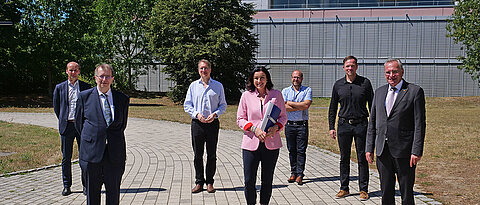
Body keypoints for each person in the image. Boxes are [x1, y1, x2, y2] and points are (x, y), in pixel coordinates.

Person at [366, 59, 426, 205]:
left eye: (395, 71)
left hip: (404, 151)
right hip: (382, 150)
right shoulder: (379, 92)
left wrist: (416, 150)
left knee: (406, 192)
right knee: (386, 191)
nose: (391, 75)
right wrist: (369, 148)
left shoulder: (414, 91)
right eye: (388, 72)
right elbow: (372, 122)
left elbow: (420, 124)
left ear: (402, 72)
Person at [75, 64, 130, 205]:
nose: (104, 79)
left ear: (112, 79)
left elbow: (122, 125)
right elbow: (79, 124)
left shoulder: (122, 99)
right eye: (101, 76)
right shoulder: (84, 97)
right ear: (95, 78)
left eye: (107, 76)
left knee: (113, 195)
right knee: (92, 196)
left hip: (114, 155)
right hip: (92, 155)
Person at [236, 66, 287, 205]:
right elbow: (240, 119)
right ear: (252, 80)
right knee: (249, 180)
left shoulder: (277, 95)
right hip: (251, 144)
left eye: (262, 78)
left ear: (267, 79)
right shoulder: (246, 96)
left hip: (271, 143)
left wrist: (276, 127)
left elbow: (283, 117)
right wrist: (254, 129)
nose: (259, 81)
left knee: (267, 179)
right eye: (256, 78)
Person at [328, 56, 373, 200]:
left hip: (361, 125)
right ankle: (344, 188)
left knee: (362, 158)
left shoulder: (365, 83)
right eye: (347, 66)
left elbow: (372, 106)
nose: (350, 68)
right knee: (344, 158)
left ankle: (363, 189)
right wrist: (331, 127)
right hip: (343, 125)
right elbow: (333, 107)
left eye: (352, 66)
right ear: (343, 68)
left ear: (357, 67)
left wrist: (373, 126)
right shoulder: (338, 85)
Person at [184, 59, 227, 193]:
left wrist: (215, 114)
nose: (204, 71)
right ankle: (199, 182)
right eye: (201, 68)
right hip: (197, 124)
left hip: (212, 124)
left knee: (212, 154)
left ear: (210, 69)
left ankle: (209, 182)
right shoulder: (193, 86)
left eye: (206, 68)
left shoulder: (218, 86)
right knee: (198, 154)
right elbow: (187, 105)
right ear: (198, 70)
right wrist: (197, 114)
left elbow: (223, 105)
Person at [53, 61, 91, 196]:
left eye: (75, 70)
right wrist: (64, 120)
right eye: (70, 70)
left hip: (82, 127)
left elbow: (89, 107)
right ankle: (67, 185)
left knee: (84, 157)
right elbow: (57, 108)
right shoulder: (59, 88)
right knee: (66, 158)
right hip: (67, 126)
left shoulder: (87, 87)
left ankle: (86, 186)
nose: (73, 73)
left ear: (79, 72)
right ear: (66, 71)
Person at [281, 70, 312, 185]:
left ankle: (300, 174)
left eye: (298, 77)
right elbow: (283, 108)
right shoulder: (285, 91)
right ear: (291, 78)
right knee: (291, 150)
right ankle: (293, 173)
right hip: (289, 125)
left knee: (301, 150)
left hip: (302, 125)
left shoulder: (307, 90)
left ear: (302, 78)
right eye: (294, 77)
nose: (296, 79)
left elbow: (306, 105)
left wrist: (290, 103)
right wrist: (300, 106)